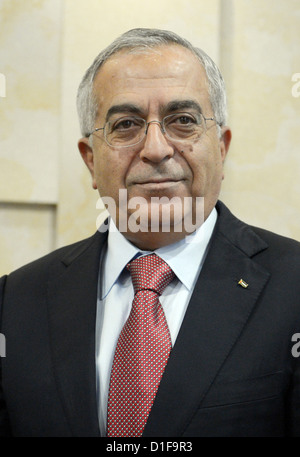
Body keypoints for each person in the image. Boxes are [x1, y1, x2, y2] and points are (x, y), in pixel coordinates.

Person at [0, 28, 300, 438]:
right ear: (90, 161)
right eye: (126, 124)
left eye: (183, 121)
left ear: (222, 148)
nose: (156, 149)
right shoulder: (14, 303)